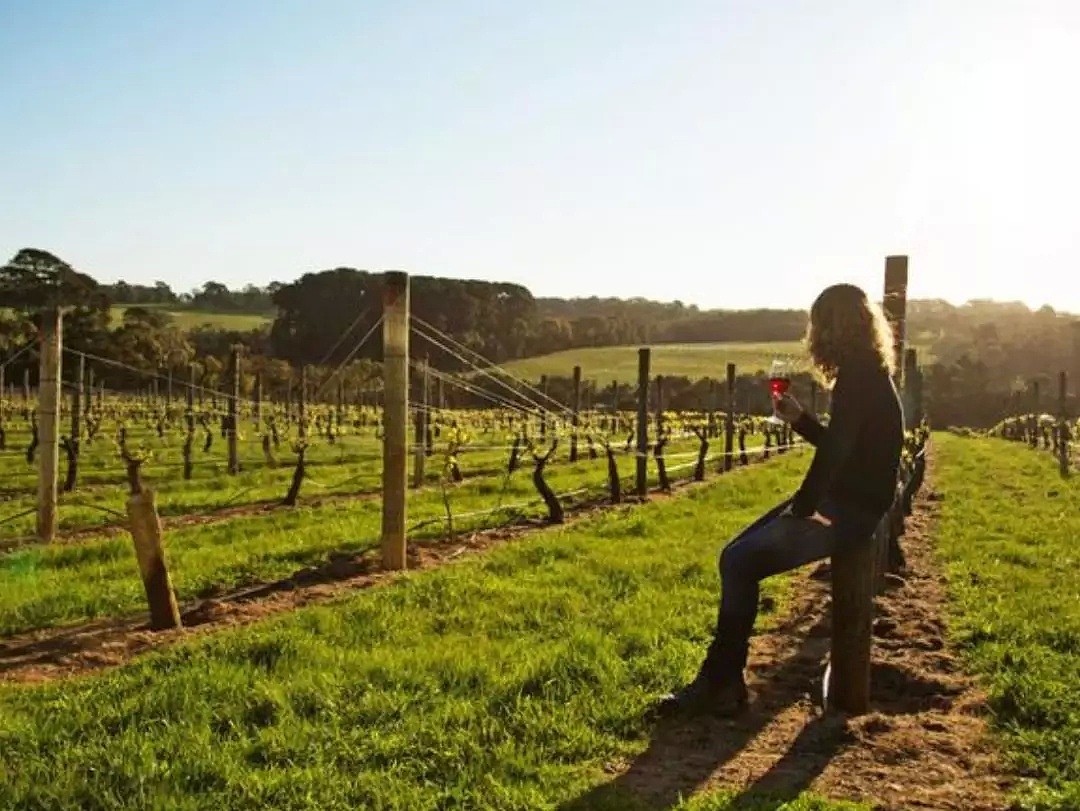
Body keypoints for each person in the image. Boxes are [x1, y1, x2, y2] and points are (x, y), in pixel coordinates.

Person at [654, 283, 905, 718]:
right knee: (734, 556)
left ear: (829, 327)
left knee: (739, 562)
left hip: (847, 512)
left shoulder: (858, 376)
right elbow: (844, 444)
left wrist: (805, 508)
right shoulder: (867, 372)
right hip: (845, 501)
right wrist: (803, 420)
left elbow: (837, 453)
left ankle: (721, 683)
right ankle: (723, 680)